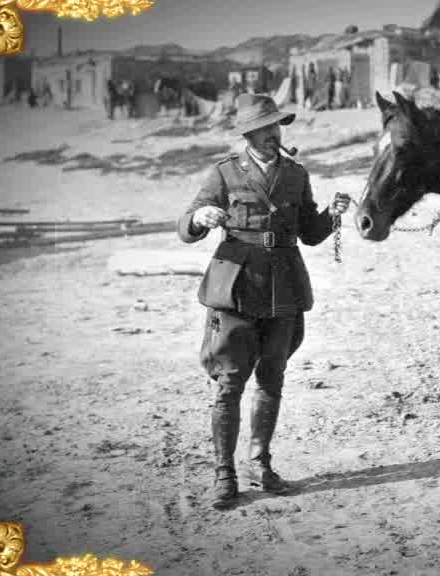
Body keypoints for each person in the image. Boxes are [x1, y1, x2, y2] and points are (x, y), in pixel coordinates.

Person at [176, 93, 352, 510]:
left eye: (277, 127)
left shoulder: (295, 174)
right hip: (235, 287)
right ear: (248, 135)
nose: (275, 134)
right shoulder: (224, 174)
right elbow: (187, 224)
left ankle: (261, 463)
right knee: (230, 382)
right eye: (265, 129)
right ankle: (225, 473)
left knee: (272, 377)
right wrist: (201, 219)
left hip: (283, 287)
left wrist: (332, 215)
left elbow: (309, 231)